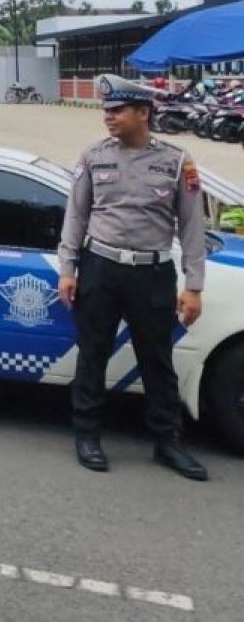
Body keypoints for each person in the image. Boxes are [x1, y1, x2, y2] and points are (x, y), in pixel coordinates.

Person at [57, 74, 208, 481]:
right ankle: (87, 435)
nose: (108, 117)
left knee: (157, 360)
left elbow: (193, 226)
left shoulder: (177, 160)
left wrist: (194, 286)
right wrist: (68, 269)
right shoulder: (93, 156)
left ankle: (168, 443)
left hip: (152, 273)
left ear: (143, 113)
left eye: (117, 110)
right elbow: (76, 217)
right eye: (106, 111)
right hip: (101, 269)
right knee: (93, 355)